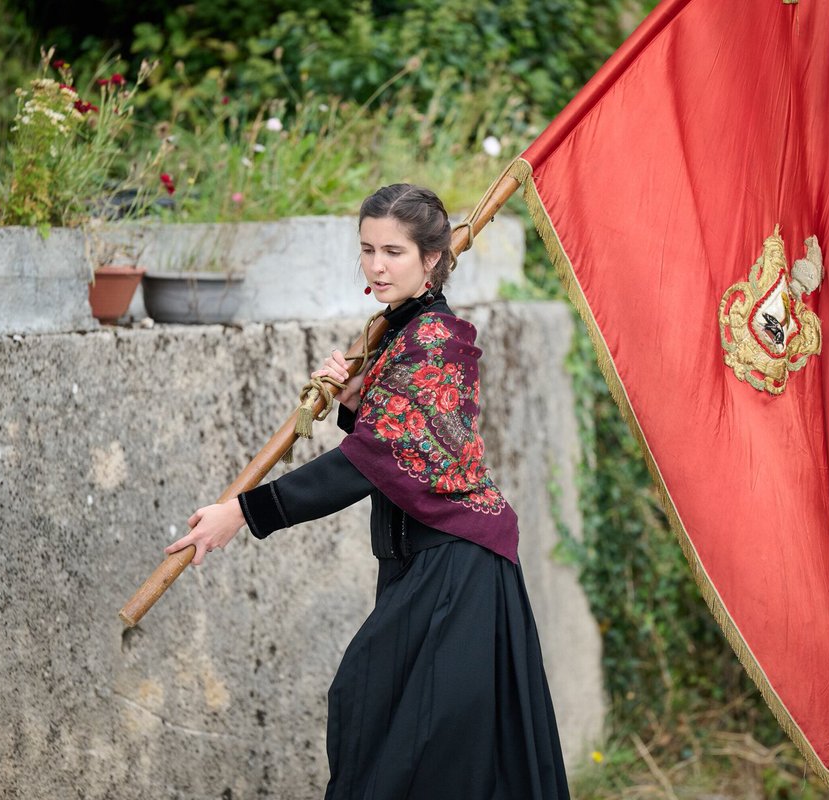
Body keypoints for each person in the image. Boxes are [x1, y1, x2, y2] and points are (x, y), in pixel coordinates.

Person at [165, 184, 570, 799]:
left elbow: (370, 462)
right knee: (374, 717)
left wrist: (242, 513)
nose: (376, 266)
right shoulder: (399, 334)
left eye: (393, 252)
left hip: (457, 567)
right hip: (421, 566)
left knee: (427, 755)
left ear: (431, 258)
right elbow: (404, 451)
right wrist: (356, 400)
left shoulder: (434, 341)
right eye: (367, 250)